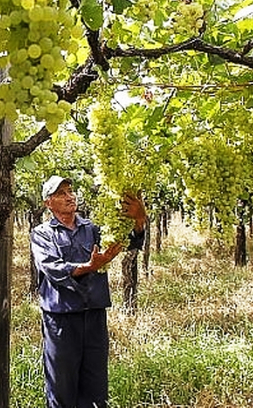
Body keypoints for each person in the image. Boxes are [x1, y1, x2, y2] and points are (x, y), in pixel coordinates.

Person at [30, 175, 147, 408]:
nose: (69, 196)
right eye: (61, 193)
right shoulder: (42, 234)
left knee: (95, 387)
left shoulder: (92, 229)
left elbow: (126, 243)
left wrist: (139, 220)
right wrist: (89, 266)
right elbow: (53, 269)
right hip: (61, 319)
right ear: (48, 203)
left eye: (70, 191)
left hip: (93, 314)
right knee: (61, 387)